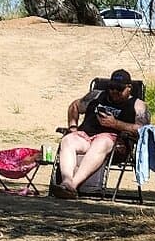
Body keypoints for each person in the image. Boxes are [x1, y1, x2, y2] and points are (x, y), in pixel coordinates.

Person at [53, 68, 149, 199]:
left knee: (102, 142)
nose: (114, 92)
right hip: (86, 137)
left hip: (115, 143)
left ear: (129, 88)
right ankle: (66, 181)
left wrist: (115, 124)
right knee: (68, 140)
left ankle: (72, 186)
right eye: (112, 88)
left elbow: (144, 129)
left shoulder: (138, 106)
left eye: (119, 89)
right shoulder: (96, 95)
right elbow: (74, 106)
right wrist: (73, 127)